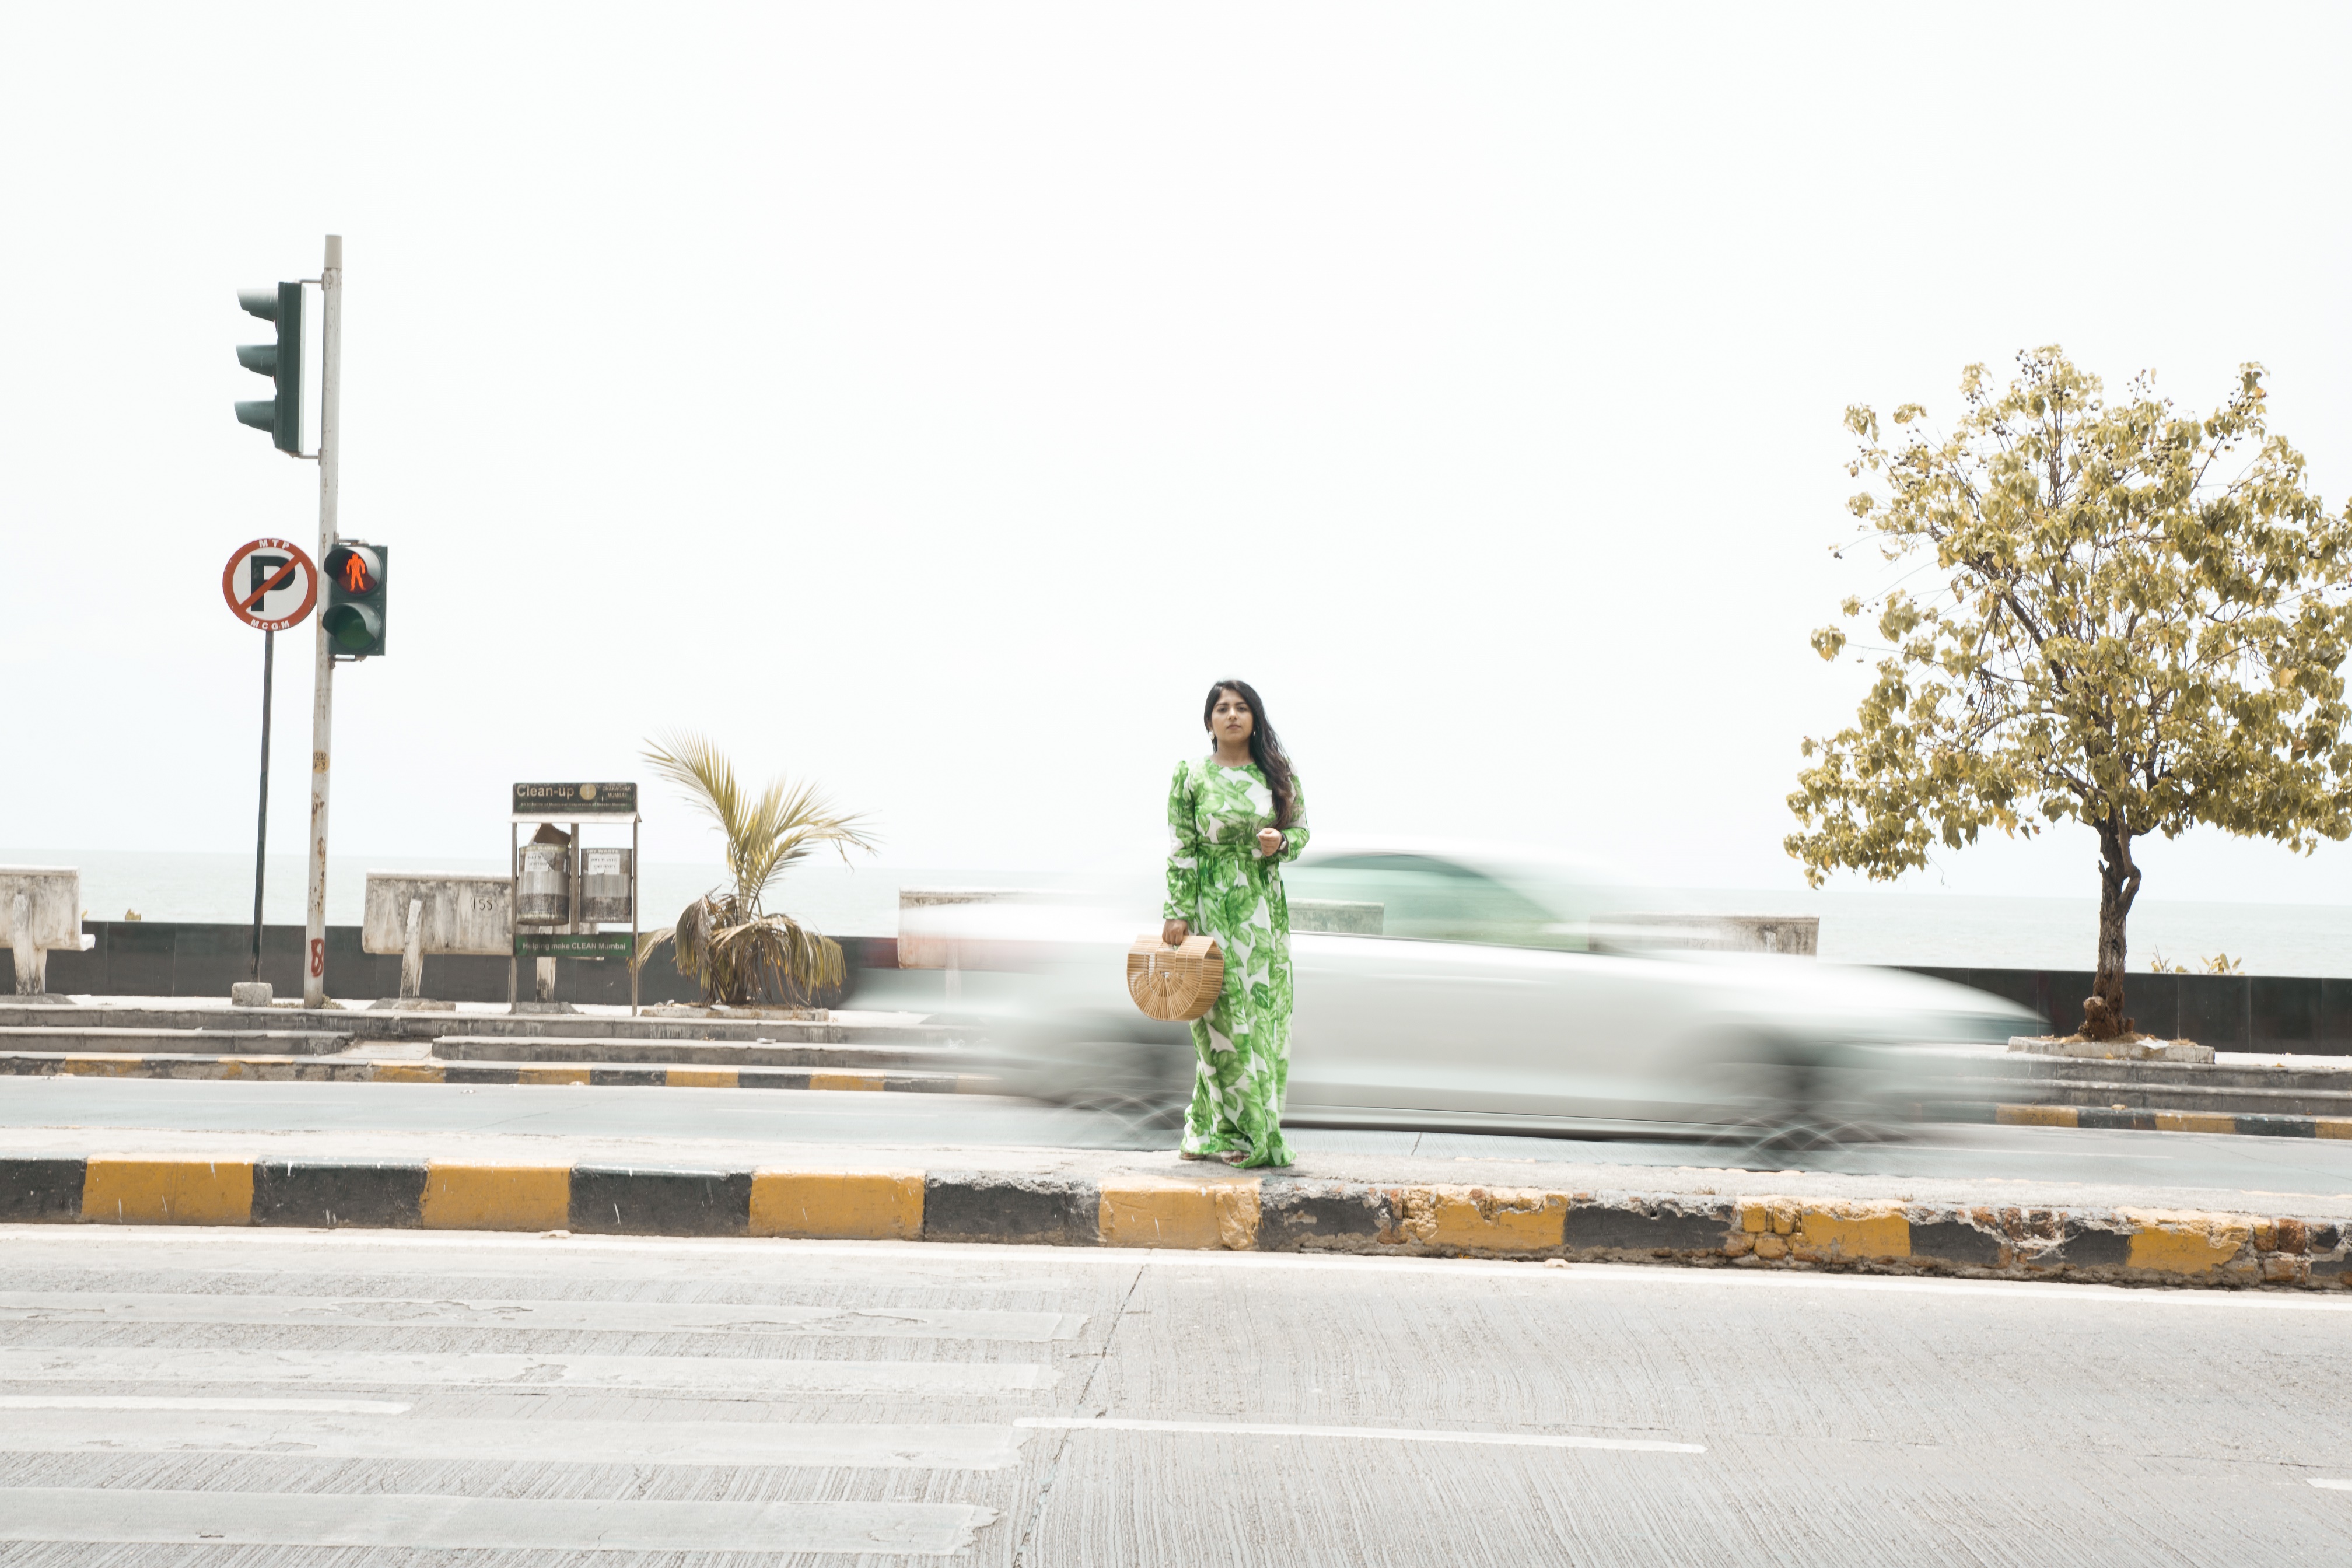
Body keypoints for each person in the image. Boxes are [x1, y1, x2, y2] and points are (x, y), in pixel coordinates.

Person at [1160, 678, 1309, 1167]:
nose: (1231, 715)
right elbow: (1182, 847)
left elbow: (1301, 831)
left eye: (1241, 708)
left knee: (1261, 1018)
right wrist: (1177, 913)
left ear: (1254, 719)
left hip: (1261, 913)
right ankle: (1233, 1131)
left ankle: (1239, 1129)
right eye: (1221, 709)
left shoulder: (1276, 775)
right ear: (1209, 723)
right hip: (1209, 909)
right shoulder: (1191, 776)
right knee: (1219, 1024)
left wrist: (1279, 843)